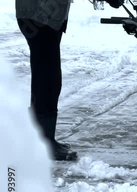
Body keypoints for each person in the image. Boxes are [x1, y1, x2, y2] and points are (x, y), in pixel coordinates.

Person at [15, 0, 123, 161]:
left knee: (46, 77)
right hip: (39, 16)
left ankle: (41, 138)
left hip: (43, 15)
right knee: (47, 80)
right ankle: (43, 142)